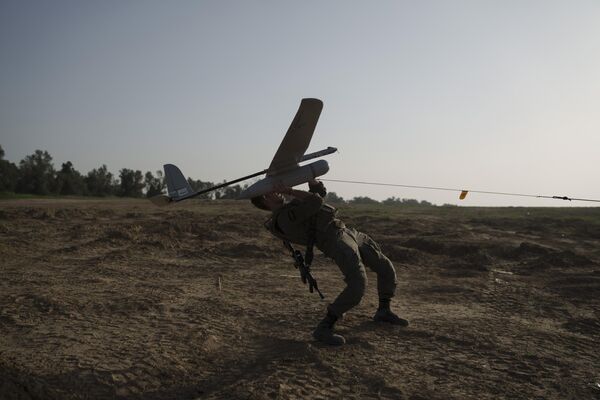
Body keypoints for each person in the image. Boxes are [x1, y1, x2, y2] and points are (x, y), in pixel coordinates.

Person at [251, 180, 408, 346]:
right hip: (336, 242)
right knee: (357, 284)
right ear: (265, 201)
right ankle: (325, 326)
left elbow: (318, 196)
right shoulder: (284, 219)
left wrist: (313, 183)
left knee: (385, 267)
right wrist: (290, 189)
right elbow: (316, 201)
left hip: (346, 233)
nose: (277, 192)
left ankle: (384, 310)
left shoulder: (288, 210)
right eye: (271, 192)